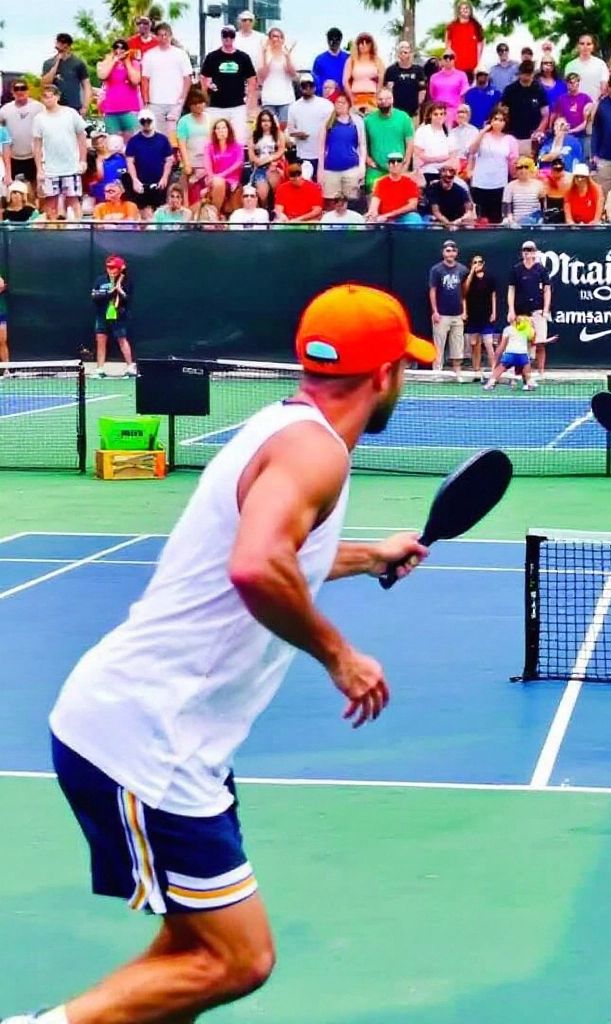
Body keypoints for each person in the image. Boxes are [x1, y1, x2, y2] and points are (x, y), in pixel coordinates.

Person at [0, 285, 435, 1024]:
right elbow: (255, 566)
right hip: (147, 736)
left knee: (191, 950)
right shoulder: (316, 452)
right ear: (386, 373)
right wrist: (341, 656)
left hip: (156, 733)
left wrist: (369, 556)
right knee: (237, 958)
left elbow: (274, 553)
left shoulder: (283, 428)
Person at [32, 84, 88, 221]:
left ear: (57, 97)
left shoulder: (70, 113)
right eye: (44, 96)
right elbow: (37, 146)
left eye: (50, 96)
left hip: (71, 166)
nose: (47, 99)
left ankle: (78, 229)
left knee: (73, 200)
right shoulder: (39, 118)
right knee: (50, 202)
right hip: (50, 168)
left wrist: (83, 160)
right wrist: (39, 169)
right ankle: (53, 231)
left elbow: (82, 137)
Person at [201, 26, 258, 146]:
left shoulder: (243, 57)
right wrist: (205, 97)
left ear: (234, 37)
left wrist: (249, 100)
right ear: (221, 37)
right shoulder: (212, 57)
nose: (228, 38)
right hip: (215, 106)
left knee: (239, 139)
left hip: (237, 106)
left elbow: (252, 79)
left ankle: (237, 163)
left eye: (231, 35)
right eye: (225, 35)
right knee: (215, 139)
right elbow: (204, 78)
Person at [507, 239, 552, 378]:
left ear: (535, 252)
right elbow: (511, 290)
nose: (527, 253)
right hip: (521, 313)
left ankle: (541, 372)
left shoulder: (541, 270)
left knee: (540, 343)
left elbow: (547, 290)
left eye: (530, 250)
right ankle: (524, 373)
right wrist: (511, 310)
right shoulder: (516, 269)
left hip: (538, 311)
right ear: (522, 253)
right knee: (521, 344)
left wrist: (545, 309)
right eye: (525, 250)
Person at [428, 239, 469, 380]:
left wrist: (464, 311)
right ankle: (437, 372)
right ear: (443, 252)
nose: (450, 253)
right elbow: (432, 290)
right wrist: (435, 311)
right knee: (438, 344)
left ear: (456, 253)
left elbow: (464, 292)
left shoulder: (463, 270)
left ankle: (457, 373)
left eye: (453, 250)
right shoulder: (436, 270)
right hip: (442, 314)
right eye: (448, 250)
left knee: (458, 345)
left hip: (457, 315)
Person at [90, 254, 135, 378]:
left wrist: (120, 290)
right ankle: (100, 369)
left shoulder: (126, 281)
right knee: (100, 340)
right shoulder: (100, 280)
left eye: (114, 267)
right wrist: (110, 293)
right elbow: (95, 297)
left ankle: (131, 368)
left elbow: (127, 300)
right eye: (108, 267)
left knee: (122, 339)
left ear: (120, 268)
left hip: (119, 316)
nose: (110, 270)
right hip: (102, 315)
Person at [96, 39, 142, 142]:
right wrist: (114, 61)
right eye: (117, 47)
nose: (119, 50)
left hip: (130, 109)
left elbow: (135, 80)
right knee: (114, 142)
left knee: (131, 142)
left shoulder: (134, 63)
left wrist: (127, 62)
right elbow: (102, 75)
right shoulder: (106, 62)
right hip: (111, 110)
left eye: (123, 48)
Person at [463, 253, 498, 378]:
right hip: (473, 315)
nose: (478, 264)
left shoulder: (490, 278)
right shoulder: (467, 277)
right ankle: (476, 369)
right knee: (474, 343)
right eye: (475, 262)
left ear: (483, 264)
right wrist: (464, 311)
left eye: (480, 262)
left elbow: (493, 295)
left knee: (488, 342)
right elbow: (464, 292)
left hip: (486, 315)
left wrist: (494, 312)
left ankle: (494, 368)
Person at [41, 33, 91, 115]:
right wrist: (57, 63)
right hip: (54, 106)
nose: (62, 45)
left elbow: (86, 85)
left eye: (64, 43)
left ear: (69, 45)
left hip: (73, 107)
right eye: (59, 42)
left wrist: (85, 106)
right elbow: (45, 83)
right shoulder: (48, 63)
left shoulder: (78, 63)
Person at [484, 315, 537, 391]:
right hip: (522, 355)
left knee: (500, 368)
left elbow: (502, 345)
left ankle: (490, 384)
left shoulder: (507, 329)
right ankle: (529, 384)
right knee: (526, 368)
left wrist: (497, 356)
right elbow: (533, 342)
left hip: (510, 355)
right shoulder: (528, 330)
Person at [384, 42, 427, 121]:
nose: (404, 54)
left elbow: (422, 90)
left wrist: (418, 106)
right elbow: (388, 90)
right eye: (401, 51)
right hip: (395, 113)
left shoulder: (418, 70)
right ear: (398, 54)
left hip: (413, 113)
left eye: (406, 51)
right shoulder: (391, 70)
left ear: (411, 53)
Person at [445, 3, 485, 78]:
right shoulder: (452, 26)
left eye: (466, 8)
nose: (465, 10)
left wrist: (478, 64)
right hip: (456, 68)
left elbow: (481, 44)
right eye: (462, 8)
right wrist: (450, 64)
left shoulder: (476, 25)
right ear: (459, 11)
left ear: (470, 10)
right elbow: (447, 46)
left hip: (472, 69)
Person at [313, 29, 348, 98]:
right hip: (325, 100)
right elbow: (315, 81)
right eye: (331, 39)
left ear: (340, 40)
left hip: (343, 100)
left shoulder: (348, 59)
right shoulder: (319, 60)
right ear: (327, 40)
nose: (333, 42)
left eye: (336, 39)